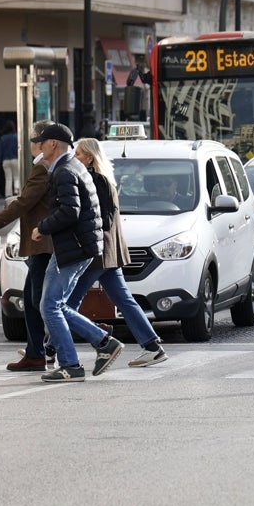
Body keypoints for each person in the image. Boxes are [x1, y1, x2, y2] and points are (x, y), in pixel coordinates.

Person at [30, 123, 123, 382]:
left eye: (40, 141)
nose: (36, 145)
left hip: (73, 246)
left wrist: (42, 227)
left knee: (49, 305)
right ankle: (103, 343)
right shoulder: (71, 166)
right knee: (55, 305)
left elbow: (70, 211)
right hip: (80, 246)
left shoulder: (64, 170)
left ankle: (72, 364)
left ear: (52, 144)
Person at [72, 137, 168, 367]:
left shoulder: (96, 180)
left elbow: (102, 219)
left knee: (66, 303)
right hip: (107, 252)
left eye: (78, 154)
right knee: (124, 301)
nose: (75, 158)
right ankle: (152, 346)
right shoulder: (103, 179)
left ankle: (52, 348)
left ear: (89, 157)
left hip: (98, 253)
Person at [0, 119, 55, 371]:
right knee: (36, 299)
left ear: (47, 143)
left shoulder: (43, 168)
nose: (32, 144)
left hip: (42, 243)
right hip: (41, 244)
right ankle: (37, 351)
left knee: (40, 302)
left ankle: (98, 338)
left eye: (36, 139)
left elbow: (25, 202)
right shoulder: (42, 166)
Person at [0, 121, 20, 199]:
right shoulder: (16, 137)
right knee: (16, 177)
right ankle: (16, 191)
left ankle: (8, 194)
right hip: (15, 159)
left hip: (5, 161)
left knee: (8, 178)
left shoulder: (3, 138)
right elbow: (18, 149)